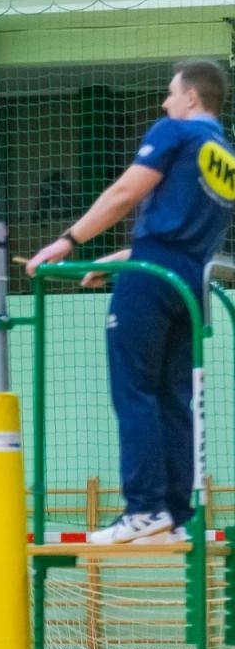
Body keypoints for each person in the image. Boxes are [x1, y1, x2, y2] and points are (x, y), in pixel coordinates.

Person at [27, 59, 235, 545]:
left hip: (151, 280)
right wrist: (123, 256)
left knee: (134, 392)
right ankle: (175, 518)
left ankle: (143, 510)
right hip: (190, 283)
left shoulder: (174, 132)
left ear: (190, 98)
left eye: (170, 93)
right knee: (174, 400)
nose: (164, 102)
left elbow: (125, 192)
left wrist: (68, 241)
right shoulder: (225, 154)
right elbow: (187, 238)